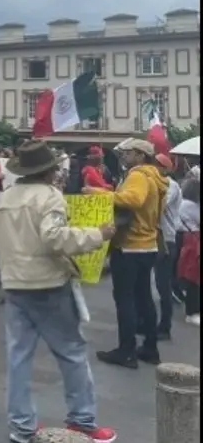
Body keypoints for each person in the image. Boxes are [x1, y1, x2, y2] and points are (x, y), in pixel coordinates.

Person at [0, 140, 116, 443]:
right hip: (48, 284)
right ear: (48, 171)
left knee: (18, 357)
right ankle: (82, 420)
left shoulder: (4, 198)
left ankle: (21, 425)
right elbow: (54, 238)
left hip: (15, 283)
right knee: (71, 353)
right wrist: (98, 234)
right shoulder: (50, 197)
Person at [97, 138, 167, 370]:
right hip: (148, 245)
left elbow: (133, 200)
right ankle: (150, 347)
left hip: (130, 245)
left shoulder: (138, 175)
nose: (124, 157)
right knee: (144, 297)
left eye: (127, 153)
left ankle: (126, 351)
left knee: (125, 299)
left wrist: (103, 194)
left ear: (140, 155)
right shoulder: (155, 176)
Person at [153, 153, 183, 340]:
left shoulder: (170, 185)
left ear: (165, 168)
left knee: (164, 285)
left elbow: (159, 206)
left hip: (168, 238)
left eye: (157, 166)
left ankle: (165, 326)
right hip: (159, 237)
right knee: (159, 282)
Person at [178, 178, 200, 326]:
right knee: (195, 277)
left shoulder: (183, 203)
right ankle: (192, 311)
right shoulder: (192, 206)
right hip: (194, 240)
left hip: (188, 239)